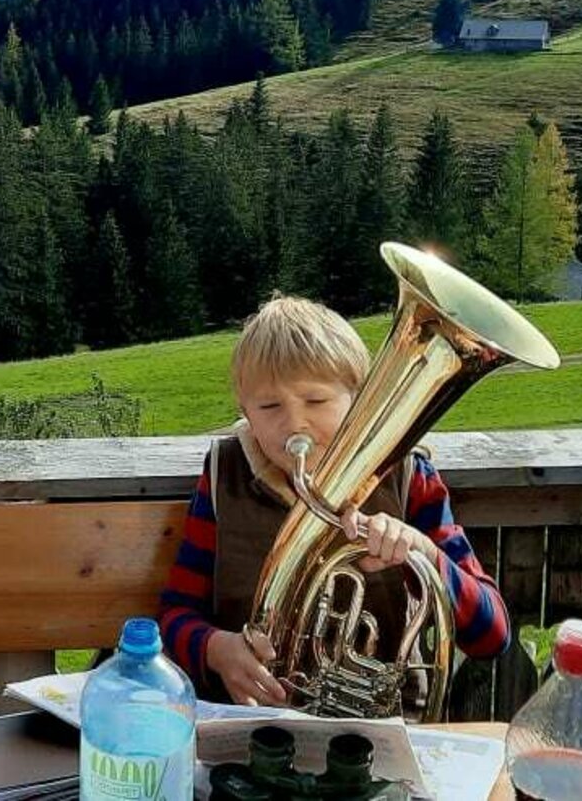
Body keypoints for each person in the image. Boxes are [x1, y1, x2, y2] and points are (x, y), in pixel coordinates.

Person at [158, 295, 509, 708]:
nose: (294, 423)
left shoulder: (410, 477)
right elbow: (175, 614)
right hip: (248, 726)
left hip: (382, 732)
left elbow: (493, 635)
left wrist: (423, 552)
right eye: (269, 406)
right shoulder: (223, 474)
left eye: (316, 401)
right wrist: (216, 650)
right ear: (245, 413)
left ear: (359, 399)